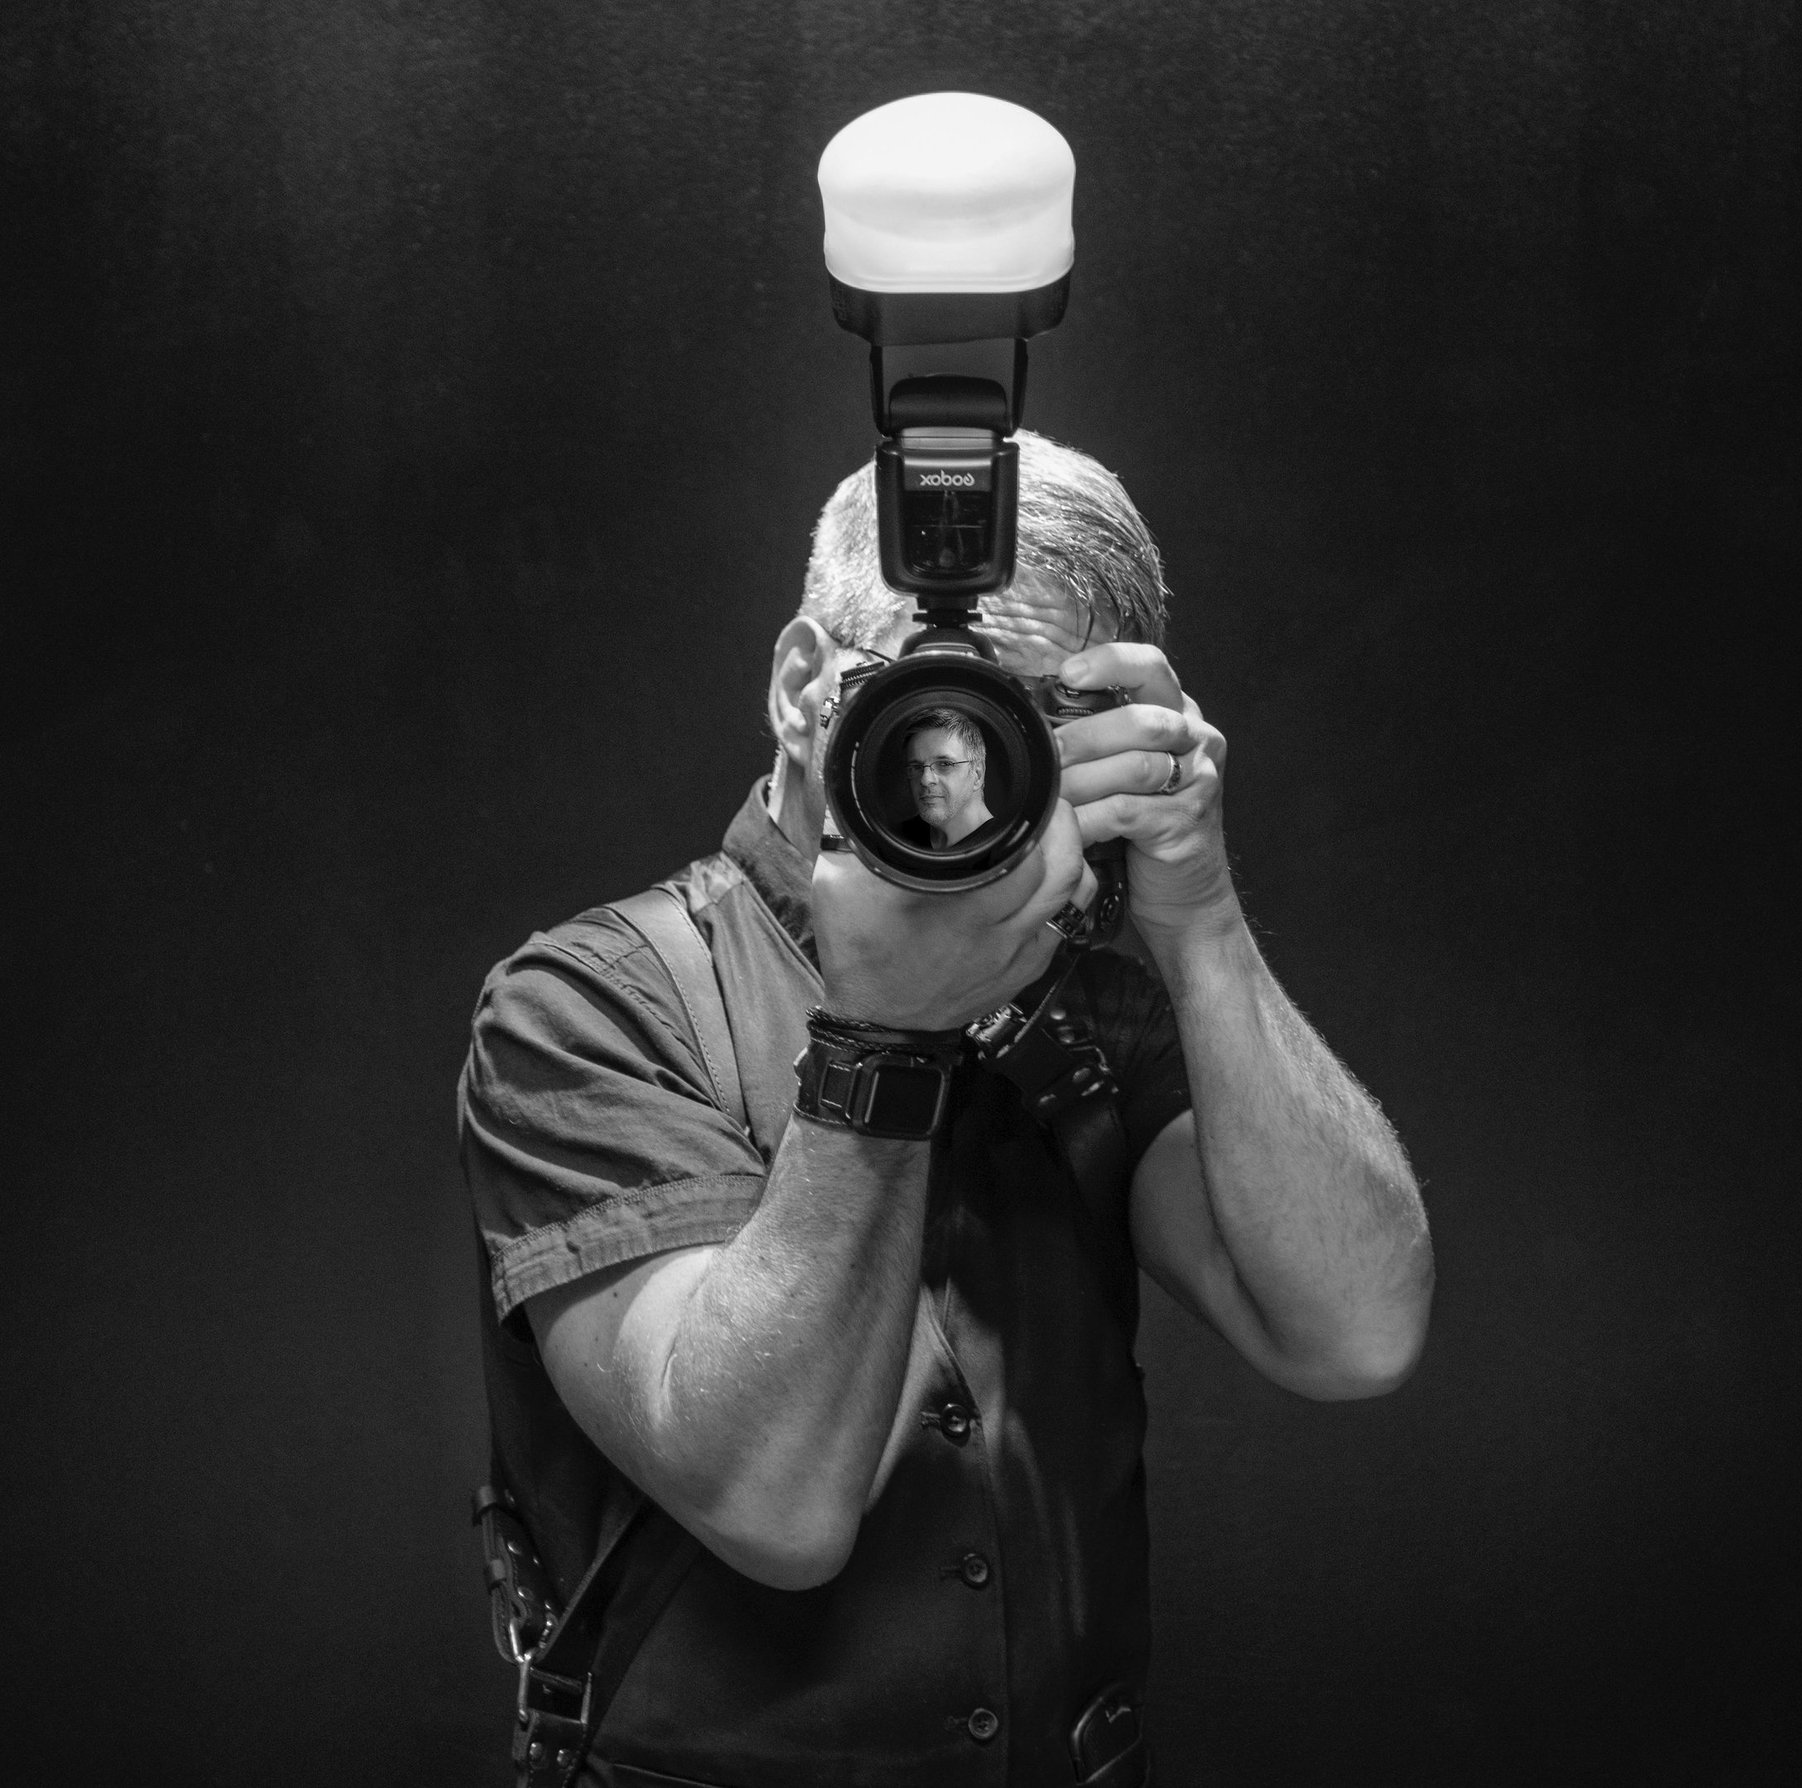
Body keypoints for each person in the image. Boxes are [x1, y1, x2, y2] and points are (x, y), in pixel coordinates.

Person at [459, 429, 1434, 1787]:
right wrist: (885, 1033)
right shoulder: (591, 1006)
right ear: (805, 687)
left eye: (1033, 715)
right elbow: (776, 1505)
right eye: (922, 696)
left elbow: (1355, 1333)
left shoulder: (1096, 1000)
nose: (953, 768)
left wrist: (1199, 919)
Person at [898, 707, 995, 850]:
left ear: (977, 774)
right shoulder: (897, 840)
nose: (925, 780)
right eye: (917, 767)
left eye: (944, 764)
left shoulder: (1010, 853)